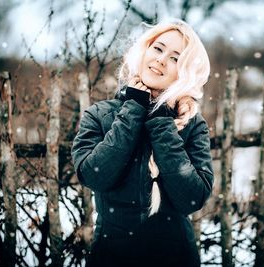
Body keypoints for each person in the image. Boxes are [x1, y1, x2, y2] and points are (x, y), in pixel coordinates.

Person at [71, 18, 214, 267]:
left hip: (176, 258)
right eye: (158, 48)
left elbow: (192, 199)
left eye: (175, 58)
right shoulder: (100, 115)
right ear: (145, 50)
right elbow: (94, 176)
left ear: (185, 72)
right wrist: (134, 109)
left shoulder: (192, 124)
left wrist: (160, 121)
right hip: (112, 257)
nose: (161, 59)